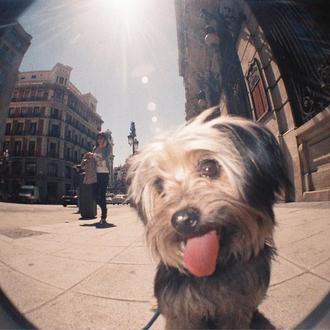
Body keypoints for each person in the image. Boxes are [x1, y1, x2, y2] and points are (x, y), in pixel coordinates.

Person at [85, 132, 112, 224]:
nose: (100, 140)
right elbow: (93, 160)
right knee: (94, 195)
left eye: (102, 138)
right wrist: (89, 156)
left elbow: (104, 157)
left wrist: (96, 153)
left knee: (102, 195)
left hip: (104, 173)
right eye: (99, 138)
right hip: (95, 174)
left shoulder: (108, 148)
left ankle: (103, 216)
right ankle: (104, 208)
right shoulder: (94, 149)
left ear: (105, 139)